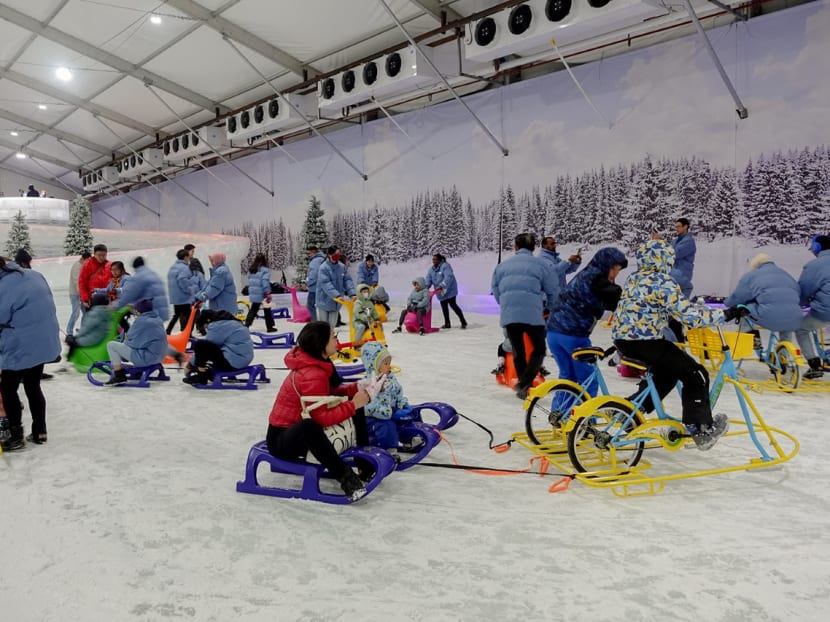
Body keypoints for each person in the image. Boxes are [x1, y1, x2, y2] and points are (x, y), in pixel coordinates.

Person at [611, 238, 745, 451]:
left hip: (624, 341)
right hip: (647, 341)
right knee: (696, 374)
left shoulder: (634, 278)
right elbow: (690, 317)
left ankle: (629, 412)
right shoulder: (663, 282)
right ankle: (700, 429)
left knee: (668, 374)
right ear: (665, 259)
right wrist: (725, 314)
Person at [266, 321, 376, 502]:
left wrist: (356, 388)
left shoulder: (319, 364)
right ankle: (346, 478)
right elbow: (321, 419)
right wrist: (353, 404)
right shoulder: (312, 373)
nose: (337, 340)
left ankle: (364, 464)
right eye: (333, 336)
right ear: (320, 343)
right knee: (310, 426)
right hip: (282, 440)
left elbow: (328, 394)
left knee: (354, 404)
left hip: (294, 432)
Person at [546, 247, 627, 401]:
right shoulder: (597, 279)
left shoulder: (586, 274)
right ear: (607, 266)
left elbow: (607, 301)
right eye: (615, 269)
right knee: (588, 381)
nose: (616, 274)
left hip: (553, 332)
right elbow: (616, 297)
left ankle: (560, 419)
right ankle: (585, 423)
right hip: (573, 336)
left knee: (567, 378)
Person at [0, 256, 61, 450]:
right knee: (32, 385)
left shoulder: (4, 285)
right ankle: (40, 431)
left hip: (21, 343)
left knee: (8, 388)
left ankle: (16, 436)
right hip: (42, 341)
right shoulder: (34, 275)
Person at [491, 233, 560, 399]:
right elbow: (553, 289)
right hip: (533, 314)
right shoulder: (541, 265)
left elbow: (495, 289)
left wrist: (506, 305)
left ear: (515, 246)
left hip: (510, 315)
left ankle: (523, 386)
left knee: (518, 351)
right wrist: (549, 307)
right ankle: (526, 381)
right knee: (539, 349)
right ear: (533, 247)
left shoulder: (503, 266)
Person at [724, 253, 803, 359]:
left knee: (745, 311)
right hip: (795, 317)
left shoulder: (751, 276)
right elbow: (797, 293)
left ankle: (757, 348)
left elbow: (738, 297)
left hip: (770, 315)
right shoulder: (786, 274)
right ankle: (783, 357)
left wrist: (727, 303)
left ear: (755, 265)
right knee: (786, 324)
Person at [359, 341, 423, 459]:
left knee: (407, 417)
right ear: (374, 365)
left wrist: (401, 403)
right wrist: (388, 413)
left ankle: (410, 438)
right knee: (388, 425)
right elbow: (370, 407)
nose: (389, 366)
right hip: (375, 416)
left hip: (390, 410)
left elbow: (398, 392)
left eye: (389, 362)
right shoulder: (369, 383)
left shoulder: (390, 377)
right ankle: (390, 450)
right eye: (385, 363)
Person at [104, 298, 168, 385]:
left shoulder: (141, 321)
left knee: (111, 345)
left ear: (139, 311)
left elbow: (131, 340)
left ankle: (119, 375)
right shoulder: (157, 319)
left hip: (147, 359)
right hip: (160, 356)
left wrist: (123, 349)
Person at [183, 309, 254, 385]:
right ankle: (208, 373)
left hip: (234, 361)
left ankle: (202, 377)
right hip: (244, 358)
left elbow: (205, 348)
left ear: (208, 320)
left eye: (205, 327)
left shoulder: (216, 326)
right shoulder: (231, 322)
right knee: (209, 350)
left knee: (200, 344)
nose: (207, 329)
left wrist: (190, 365)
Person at [796, 235, 830, 379]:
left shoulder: (814, 266)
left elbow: (804, 290)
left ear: (817, 247)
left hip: (825, 311)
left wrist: (799, 303)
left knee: (801, 328)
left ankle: (814, 365)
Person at [115, 256, 169, 321]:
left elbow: (129, 295)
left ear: (135, 267)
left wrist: (116, 306)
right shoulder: (153, 274)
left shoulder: (139, 277)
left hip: (151, 313)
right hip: (160, 311)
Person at [316, 245, 355, 328]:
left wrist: (352, 293)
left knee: (332, 325)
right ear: (330, 255)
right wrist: (336, 295)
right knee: (324, 326)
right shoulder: (323, 268)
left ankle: (330, 339)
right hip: (324, 300)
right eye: (336, 253)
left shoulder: (342, 267)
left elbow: (347, 280)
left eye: (339, 253)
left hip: (336, 302)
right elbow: (325, 283)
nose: (338, 255)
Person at [426, 253, 467, 329]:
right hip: (440, 291)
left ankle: (463, 321)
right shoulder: (431, 270)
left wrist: (442, 285)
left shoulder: (445, 266)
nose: (433, 261)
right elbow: (429, 279)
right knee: (444, 306)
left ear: (439, 260)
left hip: (450, 289)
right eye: (433, 259)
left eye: (435, 259)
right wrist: (426, 287)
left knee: (453, 305)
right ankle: (447, 323)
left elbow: (449, 277)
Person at [65, 293, 111, 359]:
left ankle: (68, 361)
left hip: (93, 338)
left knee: (72, 343)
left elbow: (86, 328)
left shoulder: (95, 313)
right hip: (100, 336)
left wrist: (76, 337)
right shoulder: (105, 311)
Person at [167, 249, 198, 334]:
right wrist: (190, 290)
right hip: (183, 297)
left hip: (175, 297)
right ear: (185, 257)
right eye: (188, 256)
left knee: (176, 315)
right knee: (189, 317)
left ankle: (168, 331)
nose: (189, 258)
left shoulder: (173, 267)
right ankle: (187, 334)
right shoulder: (184, 268)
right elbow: (183, 281)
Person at [244, 253, 276, 333]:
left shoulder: (252, 270)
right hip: (262, 292)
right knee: (267, 309)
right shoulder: (265, 270)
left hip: (254, 292)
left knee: (253, 309)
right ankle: (269, 327)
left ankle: (247, 325)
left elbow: (250, 280)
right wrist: (268, 292)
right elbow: (265, 282)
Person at [78, 244, 112, 310]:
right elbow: (82, 283)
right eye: (99, 255)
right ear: (94, 254)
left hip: (107, 299)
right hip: (93, 300)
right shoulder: (87, 265)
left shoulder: (110, 265)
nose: (102, 257)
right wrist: (85, 299)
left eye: (104, 255)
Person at [67, 251, 91, 336]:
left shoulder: (84, 266)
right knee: (76, 313)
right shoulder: (77, 267)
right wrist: (82, 295)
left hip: (82, 294)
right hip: (75, 294)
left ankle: (83, 330)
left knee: (86, 312)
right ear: (82, 259)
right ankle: (69, 331)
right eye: (87, 260)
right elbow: (77, 282)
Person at [305, 245, 325, 321]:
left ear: (313, 252)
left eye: (309, 253)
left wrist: (307, 282)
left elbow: (314, 275)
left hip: (315, 287)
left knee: (310, 305)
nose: (308, 255)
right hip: (322, 287)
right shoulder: (323, 259)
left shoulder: (315, 261)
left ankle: (314, 321)